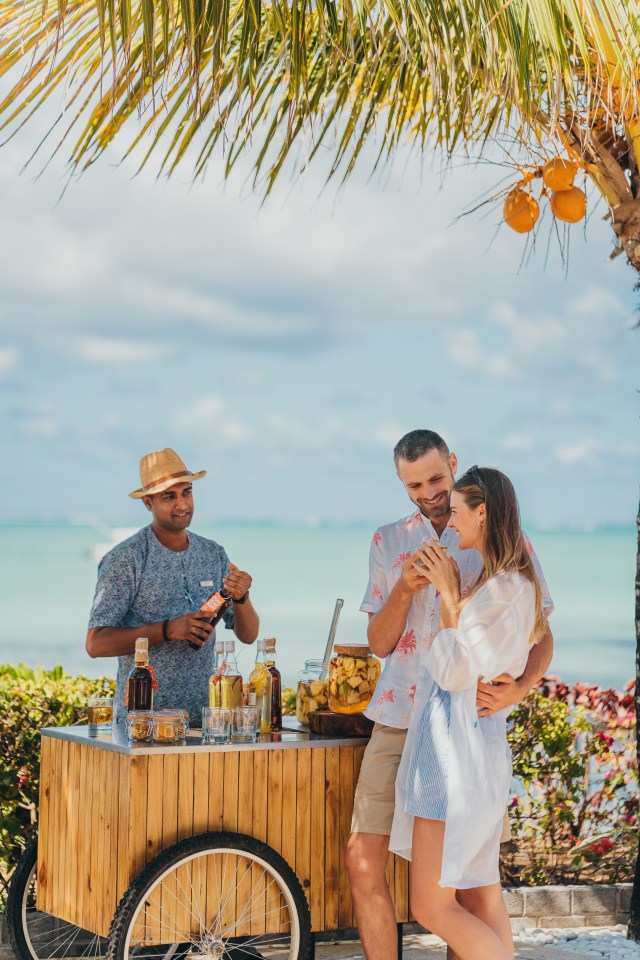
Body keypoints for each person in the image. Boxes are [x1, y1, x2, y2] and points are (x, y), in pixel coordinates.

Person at [345, 430, 553, 960]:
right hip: (398, 718)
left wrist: (521, 689)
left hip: (463, 726)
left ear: (453, 465)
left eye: (437, 479)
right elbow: (377, 644)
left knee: (460, 883)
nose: (428, 493)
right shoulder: (388, 540)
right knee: (362, 859)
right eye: (413, 485)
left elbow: (541, 633)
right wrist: (405, 589)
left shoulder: (503, 539)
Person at [86, 447, 260, 722]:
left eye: (187, 492)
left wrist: (242, 597)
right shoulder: (125, 558)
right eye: (169, 496)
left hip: (203, 721)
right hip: (142, 722)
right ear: (148, 503)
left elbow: (248, 635)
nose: (182, 504)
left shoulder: (212, 553)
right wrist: (167, 630)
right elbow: (96, 644)